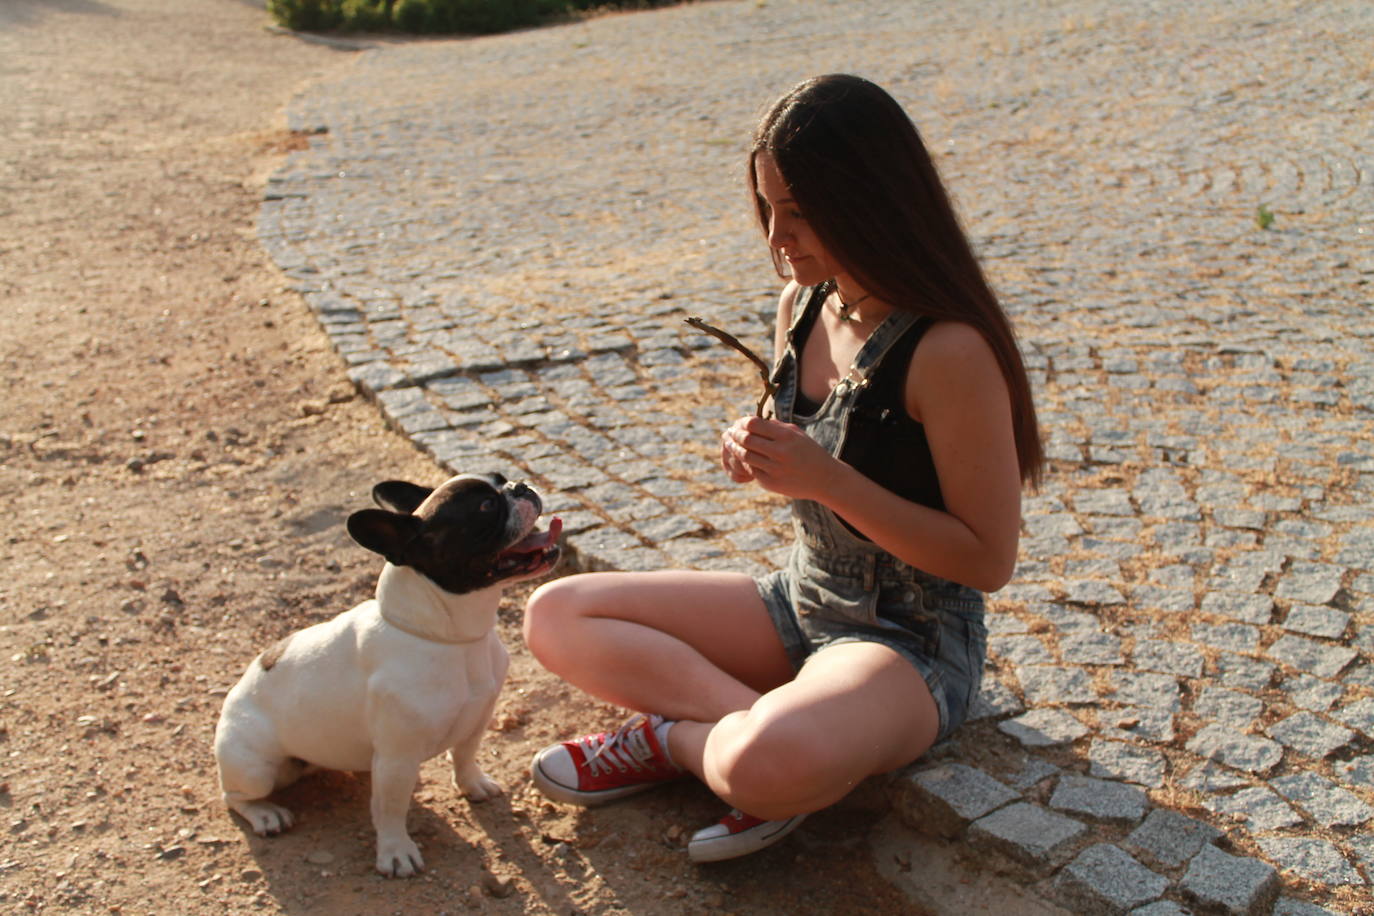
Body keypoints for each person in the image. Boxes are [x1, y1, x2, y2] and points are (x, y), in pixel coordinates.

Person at [521, 73, 1043, 863]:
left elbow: (986, 560)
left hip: (910, 645)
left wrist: (825, 478)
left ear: (872, 200)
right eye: (768, 208)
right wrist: (755, 446)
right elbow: (805, 452)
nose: (777, 237)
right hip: (800, 602)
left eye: (800, 212)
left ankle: (688, 744)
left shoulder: (950, 351)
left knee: (760, 763)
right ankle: (770, 737)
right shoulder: (804, 306)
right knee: (555, 616)